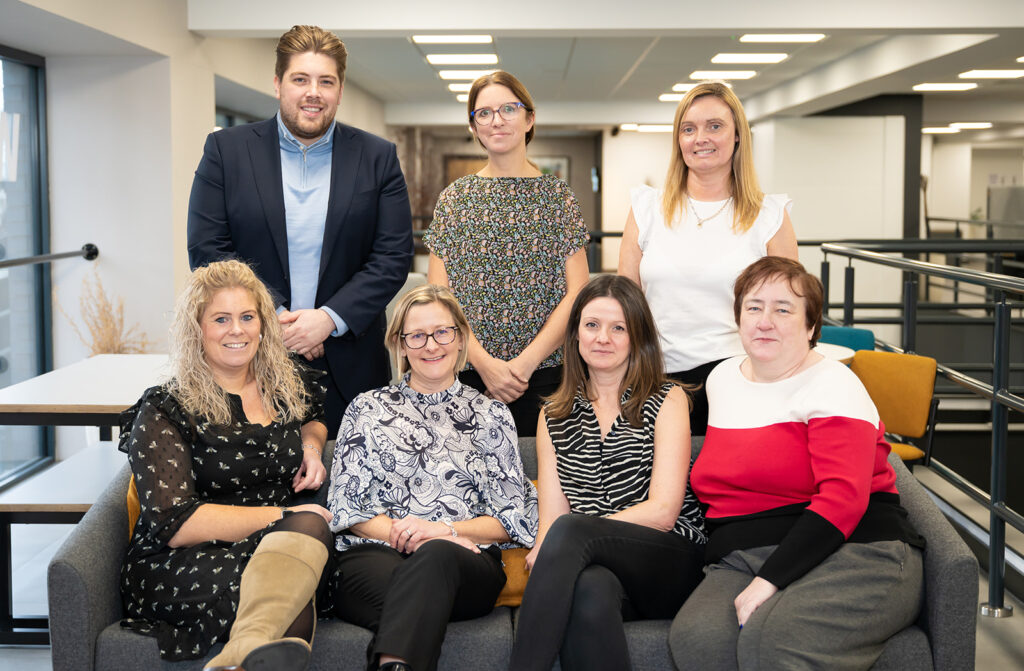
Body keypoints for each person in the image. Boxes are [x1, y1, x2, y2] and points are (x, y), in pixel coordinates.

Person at [671, 257, 925, 671]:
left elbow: (843, 499)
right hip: (745, 552)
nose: (764, 321)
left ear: (811, 327)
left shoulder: (833, 384)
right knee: (698, 640)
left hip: (855, 548)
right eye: (753, 307)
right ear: (738, 319)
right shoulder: (722, 379)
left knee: (776, 645)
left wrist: (769, 581)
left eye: (783, 309)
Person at [188, 24, 414, 439]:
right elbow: (209, 250)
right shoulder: (227, 151)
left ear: (339, 89)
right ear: (278, 84)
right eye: (300, 79)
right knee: (255, 486)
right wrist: (277, 322)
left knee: (356, 490)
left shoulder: (378, 157)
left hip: (350, 363)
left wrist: (328, 320)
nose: (314, 92)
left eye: (326, 81)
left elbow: (392, 257)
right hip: (249, 357)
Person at [118, 259, 333, 671]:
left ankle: (233, 663)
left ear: (263, 324)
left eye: (247, 316)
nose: (237, 330)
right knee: (295, 570)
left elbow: (317, 415)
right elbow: (176, 524)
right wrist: (286, 516)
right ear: (196, 329)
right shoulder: (167, 407)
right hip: (187, 561)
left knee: (295, 566)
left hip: (283, 546)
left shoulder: (286, 385)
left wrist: (310, 445)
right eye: (221, 318)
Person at [325, 284, 538, 671]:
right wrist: (402, 532)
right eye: (417, 336)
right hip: (374, 557)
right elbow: (345, 507)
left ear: (460, 339)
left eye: (442, 332)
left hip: (462, 563)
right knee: (416, 589)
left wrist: (443, 532)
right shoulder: (366, 409)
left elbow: (512, 520)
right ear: (400, 346)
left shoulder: (492, 416)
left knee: (437, 557)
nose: (431, 345)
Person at [509, 275, 706, 671]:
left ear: (638, 337)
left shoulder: (667, 399)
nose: (603, 338)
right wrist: (550, 548)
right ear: (576, 334)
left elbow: (664, 511)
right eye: (592, 325)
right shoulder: (554, 414)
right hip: (595, 568)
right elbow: (552, 518)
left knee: (572, 532)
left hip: (668, 560)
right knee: (590, 590)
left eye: (619, 328)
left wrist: (579, 537)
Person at [618, 81, 798, 436]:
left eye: (714, 126)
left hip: (739, 380)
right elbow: (626, 304)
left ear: (737, 137)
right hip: (653, 379)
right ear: (678, 140)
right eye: (689, 128)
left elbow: (790, 311)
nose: (700, 137)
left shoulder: (770, 215)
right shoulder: (646, 208)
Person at [425, 70, 589, 437]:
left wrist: (524, 366)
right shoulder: (455, 199)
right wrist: (484, 364)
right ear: (473, 126)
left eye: (508, 109)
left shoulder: (558, 197)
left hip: (547, 375)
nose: (496, 120)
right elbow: (440, 298)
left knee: (541, 483)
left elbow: (577, 292)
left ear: (529, 119)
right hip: (466, 373)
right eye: (483, 113)